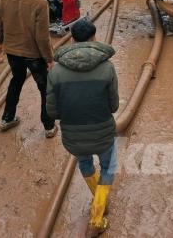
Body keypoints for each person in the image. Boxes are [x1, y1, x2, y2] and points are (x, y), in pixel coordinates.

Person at [46, 18, 119, 237]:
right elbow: (113, 106)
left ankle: (99, 199)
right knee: (108, 168)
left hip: (73, 136)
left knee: (85, 163)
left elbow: (52, 111)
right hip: (103, 132)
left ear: (72, 39)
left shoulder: (56, 72)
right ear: (93, 38)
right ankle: (97, 218)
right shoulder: (107, 68)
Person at [0, 0, 58, 136]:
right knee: (45, 88)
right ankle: (49, 126)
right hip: (33, 55)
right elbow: (42, 36)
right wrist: (49, 58)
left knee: (16, 80)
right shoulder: (40, 2)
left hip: (12, 52)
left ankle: (7, 118)